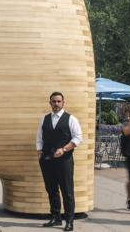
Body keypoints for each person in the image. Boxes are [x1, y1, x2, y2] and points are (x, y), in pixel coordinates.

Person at [36, 92, 83, 232]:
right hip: (46, 160)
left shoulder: (71, 119)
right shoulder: (44, 119)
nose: (56, 104)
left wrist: (64, 149)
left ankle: (69, 221)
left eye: (58, 101)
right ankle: (55, 217)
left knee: (67, 191)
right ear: (49, 102)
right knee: (51, 190)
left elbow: (78, 138)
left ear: (63, 102)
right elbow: (39, 137)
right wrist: (39, 152)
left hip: (64, 161)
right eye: (53, 101)